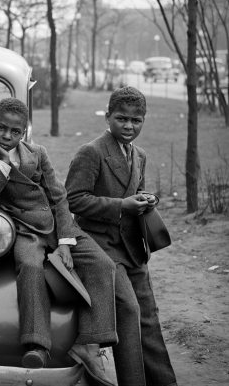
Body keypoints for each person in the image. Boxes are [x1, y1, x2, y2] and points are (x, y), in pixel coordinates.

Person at [0, 98, 116, 384]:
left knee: (102, 263)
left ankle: (89, 343)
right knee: (29, 266)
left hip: (55, 225)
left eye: (15, 131)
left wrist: (65, 240)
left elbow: (59, 197)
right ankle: (37, 343)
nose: (7, 136)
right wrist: (3, 165)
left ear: (24, 132)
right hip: (23, 228)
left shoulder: (38, 153)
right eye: (1, 128)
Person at [65, 87, 177, 386]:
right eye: (122, 119)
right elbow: (73, 200)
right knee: (128, 308)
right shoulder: (91, 152)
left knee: (148, 315)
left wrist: (145, 199)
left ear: (144, 120)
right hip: (98, 245)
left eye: (136, 120)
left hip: (131, 246)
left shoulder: (139, 155)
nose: (129, 126)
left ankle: (164, 381)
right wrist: (121, 206)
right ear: (108, 117)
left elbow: (135, 189)